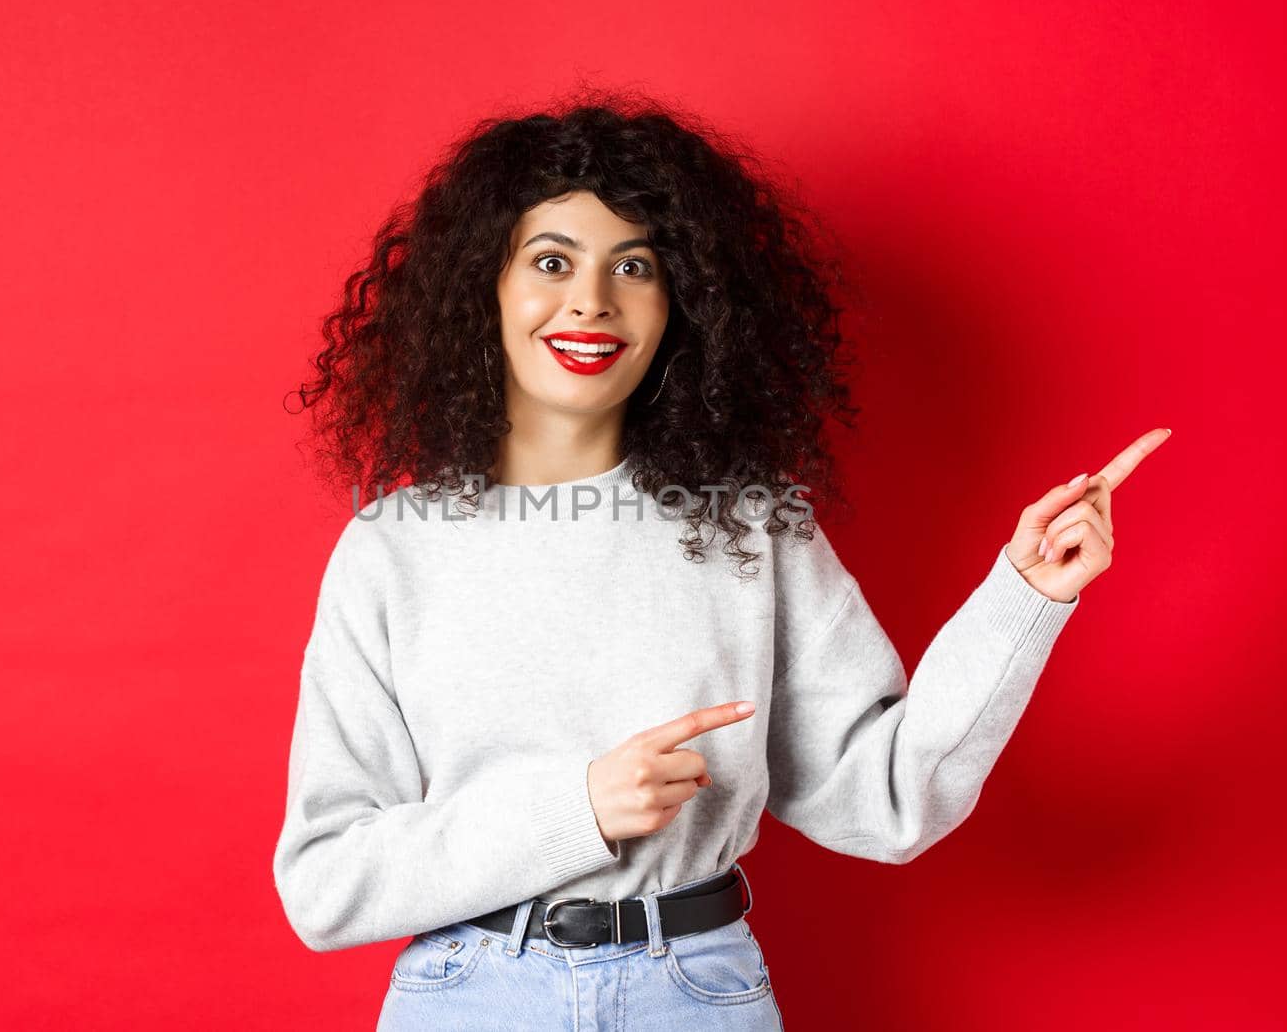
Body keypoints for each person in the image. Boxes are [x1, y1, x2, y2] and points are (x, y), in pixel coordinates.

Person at [272, 88, 1168, 1030]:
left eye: (635, 266)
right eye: (550, 261)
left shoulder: (750, 524)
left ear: (680, 308)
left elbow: (891, 797)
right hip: (472, 994)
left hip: (693, 993)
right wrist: (575, 808)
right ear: (482, 290)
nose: (591, 299)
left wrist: (1022, 596)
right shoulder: (392, 551)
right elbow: (325, 882)